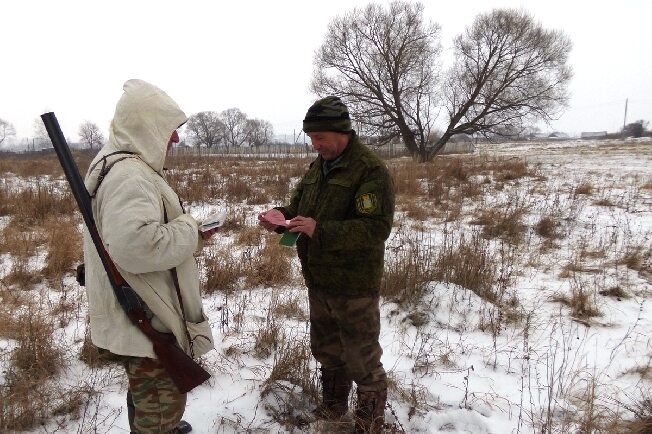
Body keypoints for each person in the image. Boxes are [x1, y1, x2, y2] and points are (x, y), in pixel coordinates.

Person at [83, 79, 216, 433]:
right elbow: (134, 246)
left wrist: (191, 236)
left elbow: (126, 240)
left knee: (148, 395)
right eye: (170, 129)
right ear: (148, 125)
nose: (175, 139)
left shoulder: (121, 166)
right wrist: (189, 228)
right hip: (148, 316)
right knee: (160, 398)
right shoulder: (130, 175)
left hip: (143, 309)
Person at [258, 96, 395, 433]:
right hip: (318, 279)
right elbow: (297, 207)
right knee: (327, 350)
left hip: (353, 284)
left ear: (341, 131)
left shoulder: (369, 170)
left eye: (320, 138)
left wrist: (321, 229)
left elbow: (375, 229)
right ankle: (333, 409)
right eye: (311, 138)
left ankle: (368, 424)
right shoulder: (318, 167)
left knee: (361, 358)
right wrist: (281, 217)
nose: (315, 144)